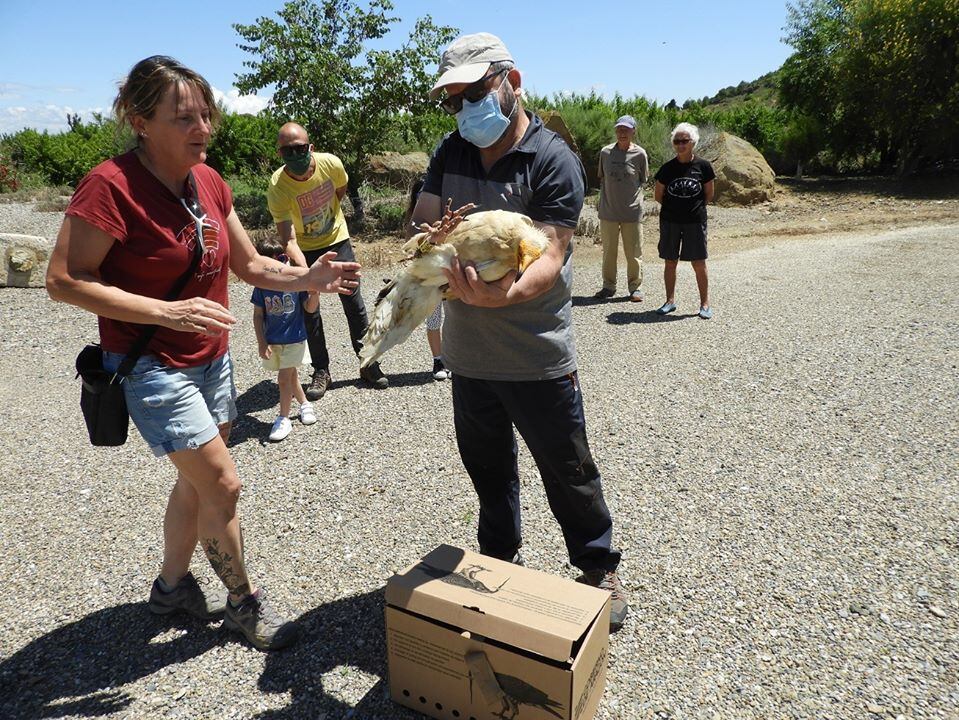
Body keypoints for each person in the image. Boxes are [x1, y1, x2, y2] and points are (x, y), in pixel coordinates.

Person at [46, 56, 361, 651]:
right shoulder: (110, 186)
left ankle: (171, 589)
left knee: (197, 484)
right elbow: (64, 279)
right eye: (185, 117)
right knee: (223, 483)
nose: (204, 128)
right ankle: (244, 603)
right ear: (140, 122)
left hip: (212, 358)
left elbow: (250, 265)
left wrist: (308, 278)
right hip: (150, 365)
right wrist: (166, 312)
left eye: (207, 115)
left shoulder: (209, 181)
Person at [411, 32, 628, 630]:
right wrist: (430, 236)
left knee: (567, 469)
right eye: (452, 100)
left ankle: (597, 564)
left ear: (512, 81)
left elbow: (551, 255)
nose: (463, 110)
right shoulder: (451, 151)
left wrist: (498, 296)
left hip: (536, 357)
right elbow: (423, 218)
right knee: (488, 471)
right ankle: (499, 562)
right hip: (468, 357)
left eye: (473, 93)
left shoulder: (553, 159)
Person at [266, 122, 388, 398]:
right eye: (287, 151)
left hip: (336, 239)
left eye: (300, 149)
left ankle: (368, 363)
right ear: (279, 153)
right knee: (309, 308)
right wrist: (307, 274)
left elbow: (340, 192)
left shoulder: (331, 164)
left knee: (353, 302)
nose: (295, 155)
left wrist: (330, 222)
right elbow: (288, 239)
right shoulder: (278, 186)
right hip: (303, 248)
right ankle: (321, 371)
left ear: (311, 147)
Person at [251, 237, 319, 442]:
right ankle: (305, 404)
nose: (279, 266)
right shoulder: (261, 286)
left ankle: (283, 418)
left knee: (283, 379)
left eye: (282, 259)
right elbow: (258, 315)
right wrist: (261, 341)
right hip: (273, 340)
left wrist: (314, 293)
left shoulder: (295, 282)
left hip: (294, 338)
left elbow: (310, 308)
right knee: (290, 376)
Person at [654, 122, 715, 319]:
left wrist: (693, 208)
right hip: (670, 221)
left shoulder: (704, 166)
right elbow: (658, 195)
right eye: (677, 141)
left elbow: (708, 194)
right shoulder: (667, 168)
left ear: (693, 142)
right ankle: (669, 301)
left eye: (684, 141)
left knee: (698, 262)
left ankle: (704, 303)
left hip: (694, 221)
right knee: (670, 261)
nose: (680, 145)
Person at [594, 115, 649, 302]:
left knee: (634, 253)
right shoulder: (605, 153)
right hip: (608, 211)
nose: (622, 132)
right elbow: (602, 177)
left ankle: (635, 287)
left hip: (632, 212)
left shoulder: (640, 154)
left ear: (634, 131)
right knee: (608, 252)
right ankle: (608, 286)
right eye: (619, 129)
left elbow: (642, 180)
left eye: (626, 129)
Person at [405, 176, 450, 381]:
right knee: (433, 321)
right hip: (430, 280)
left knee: (455, 319)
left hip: (450, 276)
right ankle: (438, 360)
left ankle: (452, 359)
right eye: (420, 195)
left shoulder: (448, 220)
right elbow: (413, 254)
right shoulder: (415, 225)